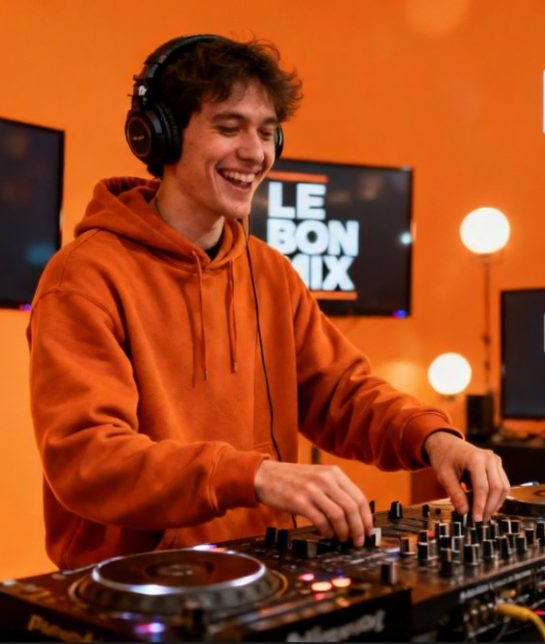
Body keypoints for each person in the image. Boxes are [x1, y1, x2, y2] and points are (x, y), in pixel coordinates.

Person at [27, 33, 509, 570]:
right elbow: (88, 458)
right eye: (228, 127)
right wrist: (252, 475)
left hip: (262, 569)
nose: (255, 153)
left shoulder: (270, 272)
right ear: (160, 135)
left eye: (266, 131)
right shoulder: (83, 277)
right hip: (136, 584)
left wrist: (433, 437)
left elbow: (342, 394)